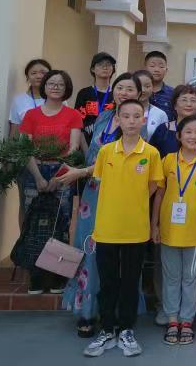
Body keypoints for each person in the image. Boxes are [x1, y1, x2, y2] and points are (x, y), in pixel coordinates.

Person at [61, 72, 145, 337]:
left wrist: (80, 172)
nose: (123, 93)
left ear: (138, 94)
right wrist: (81, 172)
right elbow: (93, 155)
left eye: (129, 89)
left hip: (121, 195)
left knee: (119, 257)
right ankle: (88, 311)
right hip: (93, 195)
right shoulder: (103, 118)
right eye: (120, 88)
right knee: (90, 248)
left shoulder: (137, 123)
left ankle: (119, 314)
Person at [83, 99, 163, 358]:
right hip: (106, 228)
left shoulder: (151, 153)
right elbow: (99, 182)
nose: (131, 121)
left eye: (136, 116)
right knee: (107, 282)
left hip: (136, 230)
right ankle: (107, 329)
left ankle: (126, 329)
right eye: (125, 116)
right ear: (117, 119)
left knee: (130, 282)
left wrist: (135, 201)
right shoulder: (106, 152)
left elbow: (153, 185)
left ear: (143, 120)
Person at [19, 69, 83, 294]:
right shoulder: (31, 115)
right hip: (33, 171)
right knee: (33, 222)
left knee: (61, 223)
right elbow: (25, 148)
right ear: (44, 86)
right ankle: (35, 277)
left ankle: (57, 276)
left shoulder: (73, 115)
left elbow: (74, 148)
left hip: (62, 172)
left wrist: (58, 177)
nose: (55, 87)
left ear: (67, 89)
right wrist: (38, 176)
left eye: (61, 84)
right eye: (51, 83)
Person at [151, 116, 196, 347]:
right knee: (171, 277)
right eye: (188, 132)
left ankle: (187, 320)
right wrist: (154, 225)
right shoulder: (167, 160)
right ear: (178, 136)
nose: (192, 137)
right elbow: (159, 194)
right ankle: (172, 319)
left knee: (191, 278)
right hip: (169, 229)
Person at [149, 85, 196, 158]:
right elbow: (152, 157)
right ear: (175, 105)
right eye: (184, 100)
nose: (189, 104)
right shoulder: (163, 130)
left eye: (193, 100)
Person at [75, 52, 116, 145]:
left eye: (108, 64)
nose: (105, 67)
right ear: (93, 69)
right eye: (100, 64)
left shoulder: (117, 94)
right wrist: (86, 151)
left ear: (113, 69)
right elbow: (78, 124)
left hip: (110, 145)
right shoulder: (84, 93)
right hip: (87, 144)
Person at [8, 58, 51, 137]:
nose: (38, 76)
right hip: (26, 144)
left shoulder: (58, 100)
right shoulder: (18, 100)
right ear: (27, 77)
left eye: (43, 73)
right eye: (33, 73)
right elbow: (14, 133)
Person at [134, 69, 168, 138]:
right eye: (139, 86)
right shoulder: (123, 111)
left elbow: (163, 140)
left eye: (147, 86)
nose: (143, 90)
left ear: (153, 88)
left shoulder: (160, 114)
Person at [145, 51, 175, 120]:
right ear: (145, 68)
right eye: (152, 66)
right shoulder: (138, 91)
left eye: (161, 67)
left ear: (166, 70)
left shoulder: (173, 93)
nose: (157, 70)